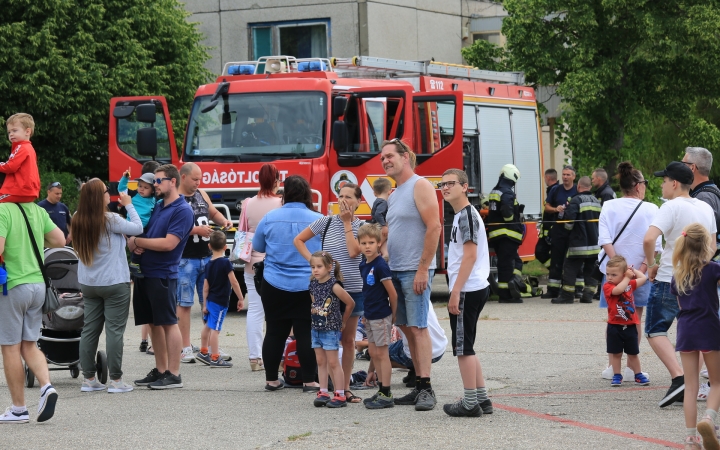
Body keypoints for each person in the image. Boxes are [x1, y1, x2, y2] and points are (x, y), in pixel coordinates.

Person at [643, 161, 716, 408]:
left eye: (663, 181)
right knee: (697, 329)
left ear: (674, 183)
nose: (662, 185)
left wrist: (651, 263)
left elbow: (649, 238)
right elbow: (713, 246)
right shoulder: (705, 207)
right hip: (698, 279)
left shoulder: (670, 206)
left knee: (655, 329)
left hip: (668, 278)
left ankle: (679, 376)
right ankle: (695, 379)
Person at [381, 138, 441, 411]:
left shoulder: (421, 185)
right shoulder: (395, 193)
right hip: (395, 270)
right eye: (383, 158)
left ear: (406, 157)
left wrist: (422, 268)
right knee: (406, 329)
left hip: (414, 270)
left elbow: (434, 227)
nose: (385, 161)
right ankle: (418, 385)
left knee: (418, 328)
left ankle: (427, 388)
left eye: (390, 156)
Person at [294, 183, 365, 403]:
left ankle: (344, 387)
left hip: (352, 288)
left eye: (349, 197)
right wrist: (316, 265)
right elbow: (299, 240)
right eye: (340, 196)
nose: (343, 200)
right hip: (327, 290)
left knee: (348, 339)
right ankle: (329, 387)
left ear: (359, 202)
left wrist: (346, 223)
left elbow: (354, 252)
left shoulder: (362, 226)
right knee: (326, 338)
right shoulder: (325, 221)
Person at [253, 175, 322, 391]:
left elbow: (259, 247)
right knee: (306, 332)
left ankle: (271, 379)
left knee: (274, 331)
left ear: (285, 193)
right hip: (307, 284)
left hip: (274, 283)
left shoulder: (269, 218)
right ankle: (310, 380)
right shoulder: (318, 219)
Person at [73, 179, 143, 393]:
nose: (109, 193)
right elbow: (138, 228)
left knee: (89, 330)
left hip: (89, 282)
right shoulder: (110, 219)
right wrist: (129, 204)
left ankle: (89, 378)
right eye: (106, 191)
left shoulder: (77, 218)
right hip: (114, 282)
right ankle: (116, 380)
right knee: (114, 331)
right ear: (99, 196)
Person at [129, 164, 194, 390]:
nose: (154, 185)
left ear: (173, 181)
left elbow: (168, 243)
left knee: (168, 322)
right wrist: (137, 243)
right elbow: (149, 233)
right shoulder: (158, 206)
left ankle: (174, 374)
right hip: (146, 272)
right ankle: (161, 370)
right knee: (153, 323)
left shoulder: (182, 210)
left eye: (158, 181)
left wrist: (138, 242)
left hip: (163, 273)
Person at [0, 201, 65, 423]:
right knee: (29, 344)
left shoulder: (2, 210)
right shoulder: (37, 210)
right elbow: (59, 240)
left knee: (10, 347)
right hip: (38, 285)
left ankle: (19, 409)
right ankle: (46, 386)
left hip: (13, 286)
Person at [598, 162, 660, 381]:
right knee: (635, 319)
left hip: (613, 274)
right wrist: (639, 269)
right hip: (639, 275)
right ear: (638, 186)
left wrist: (617, 268)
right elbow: (655, 244)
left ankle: (611, 366)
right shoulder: (652, 208)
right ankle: (632, 366)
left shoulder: (608, 206)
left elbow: (605, 240)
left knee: (613, 317)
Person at [439, 169, 493, 417]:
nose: (445, 187)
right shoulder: (462, 215)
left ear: (465, 186)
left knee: (462, 348)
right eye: (442, 184)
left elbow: (470, 256)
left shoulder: (466, 216)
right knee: (467, 345)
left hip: (468, 288)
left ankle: (470, 402)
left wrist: (455, 291)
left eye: (450, 183)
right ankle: (482, 398)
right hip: (472, 287)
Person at [176, 163, 233, 364]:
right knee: (184, 304)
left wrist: (223, 220)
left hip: (206, 259)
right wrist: (195, 231)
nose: (198, 183)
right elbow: (171, 225)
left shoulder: (201, 194)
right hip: (185, 259)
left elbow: (213, 212)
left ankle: (208, 346)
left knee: (208, 303)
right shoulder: (174, 197)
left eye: (200, 179)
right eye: (194, 179)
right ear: (183, 177)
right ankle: (184, 348)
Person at [670, 224, 720, 449]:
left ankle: (691, 438)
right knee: (717, 381)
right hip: (709, 328)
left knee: (690, 386)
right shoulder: (713, 269)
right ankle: (709, 419)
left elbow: (680, 303)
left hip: (686, 330)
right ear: (708, 244)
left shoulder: (678, 274)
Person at [241, 163, 282, 371]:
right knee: (279, 312)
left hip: (252, 264)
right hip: (276, 264)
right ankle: (279, 355)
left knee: (255, 310)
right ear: (276, 180)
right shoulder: (281, 203)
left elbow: (243, 232)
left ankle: (254, 357)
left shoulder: (248, 203)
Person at [356, 223, 398, 409]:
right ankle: (381, 390)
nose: (367, 246)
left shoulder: (380, 266)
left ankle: (386, 393)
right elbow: (367, 291)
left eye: (371, 242)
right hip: (370, 315)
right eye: (363, 242)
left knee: (382, 354)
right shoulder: (363, 264)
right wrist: (365, 314)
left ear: (379, 243)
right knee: (373, 352)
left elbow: (392, 294)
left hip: (381, 315)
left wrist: (393, 316)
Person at [308, 251, 354, 408]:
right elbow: (314, 303)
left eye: (319, 266)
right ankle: (323, 391)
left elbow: (350, 303)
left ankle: (340, 394)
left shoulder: (334, 285)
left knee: (333, 362)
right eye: (313, 266)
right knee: (320, 361)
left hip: (330, 329)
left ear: (329, 267)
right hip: (316, 328)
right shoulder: (313, 284)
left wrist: (343, 321)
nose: (315, 270)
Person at [195, 231, 244, 368]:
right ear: (225, 247)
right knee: (215, 329)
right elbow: (234, 282)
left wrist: (204, 304)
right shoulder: (226, 263)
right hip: (220, 301)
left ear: (209, 246)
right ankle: (215, 357)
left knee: (208, 326)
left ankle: (204, 351)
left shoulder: (208, 264)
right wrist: (240, 298)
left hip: (210, 300)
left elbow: (205, 287)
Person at [551, 176, 602, 304]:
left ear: (578, 187)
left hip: (578, 243)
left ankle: (567, 296)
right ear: (589, 187)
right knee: (590, 269)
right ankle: (588, 295)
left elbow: (569, 221)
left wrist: (567, 232)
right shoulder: (597, 201)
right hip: (595, 243)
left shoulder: (576, 200)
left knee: (570, 268)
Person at [487, 164, 531, 302]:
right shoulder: (507, 193)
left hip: (497, 235)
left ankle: (515, 283)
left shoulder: (495, 191)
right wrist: (512, 217)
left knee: (514, 261)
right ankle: (505, 295)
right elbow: (507, 213)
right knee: (506, 264)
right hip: (507, 235)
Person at [602, 256, 649, 387]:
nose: (609, 277)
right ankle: (617, 375)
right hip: (614, 326)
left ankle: (638, 374)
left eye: (613, 274)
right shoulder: (608, 286)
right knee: (616, 353)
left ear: (622, 275)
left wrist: (632, 270)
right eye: (608, 274)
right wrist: (627, 277)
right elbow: (618, 290)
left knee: (633, 353)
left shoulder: (629, 284)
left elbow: (643, 279)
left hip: (630, 326)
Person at [542, 166, 578, 299]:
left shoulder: (577, 190)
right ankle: (553, 289)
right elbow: (547, 207)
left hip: (573, 230)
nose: (565, 177)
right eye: (563, 174)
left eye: (568, 175)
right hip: (558, 228)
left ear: (573, 177)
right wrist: (555, 209)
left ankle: (575, 289)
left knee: (573, 259)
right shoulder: (556, 190)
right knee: (556, 259)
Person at [683, 147, 720, 260]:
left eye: (683, 164)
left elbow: (700, 239)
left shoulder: (703, 198)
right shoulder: (714, 191)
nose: (680, 168)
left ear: (692, 167)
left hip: (707, 266)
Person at [0, 113, 40, 203]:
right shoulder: (30, 149)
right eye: (9, 132)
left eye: (14, 130)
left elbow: (10, 166)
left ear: (27, 132)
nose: (11, 134)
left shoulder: (21, 147)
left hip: (17, 190)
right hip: (30, 191)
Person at [536, 168, 559, 268]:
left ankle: (556, 270)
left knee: (540, 252)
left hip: (551, 231)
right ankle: (555, 270)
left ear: (547, 177)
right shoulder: (553, 190)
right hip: (548, 232)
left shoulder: (555, 191)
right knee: (541, 252)